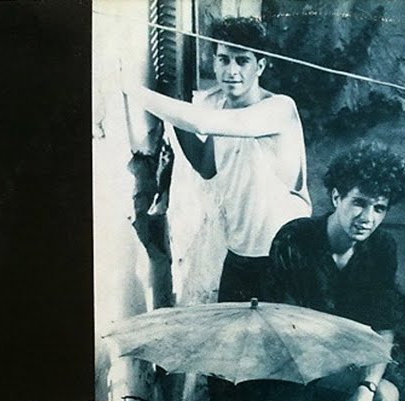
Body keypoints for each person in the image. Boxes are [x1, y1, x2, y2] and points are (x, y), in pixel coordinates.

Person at [261, 142, 405, 401]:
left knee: (386, 398)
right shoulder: (295, 238)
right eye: (359, 203)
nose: (367, 218)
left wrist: (366, 389)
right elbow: (282, 326)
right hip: (285, 366)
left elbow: (383, 326)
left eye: (379, 208)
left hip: (341, 367)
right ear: (336, 196)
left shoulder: (381, 248)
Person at [121, 16, 311, 303]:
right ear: (214, 62)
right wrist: (174, 118)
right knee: (227, 331)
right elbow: (207, 167)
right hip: (239, 255)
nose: (231, 71)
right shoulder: (220, 109)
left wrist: (131, 89)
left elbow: (201, 123)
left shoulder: (280, 109)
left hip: (285, 256)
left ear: (260, 66)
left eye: (242, 61)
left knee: (282, 333)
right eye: (224, 59)